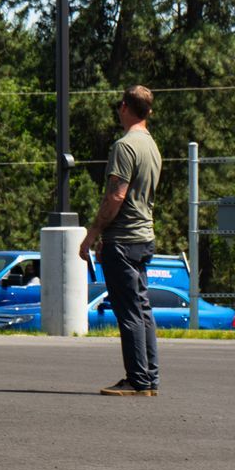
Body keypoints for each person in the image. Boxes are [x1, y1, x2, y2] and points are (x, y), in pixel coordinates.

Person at [80, 85, 162, 396]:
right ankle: (149, 378)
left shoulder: (125, 146)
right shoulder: (151, 145)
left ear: (125, 106)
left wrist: (93, 234)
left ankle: (137, 380)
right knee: (142, 310)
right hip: (143, 237)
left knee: (129, 313)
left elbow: (116, 196)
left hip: (124, 239)